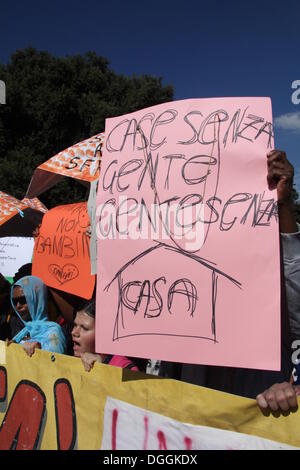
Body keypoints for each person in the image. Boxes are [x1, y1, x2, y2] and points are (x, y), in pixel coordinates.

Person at [160, 149, 295, 403]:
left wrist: (283, 203)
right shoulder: (180, 285)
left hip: (256, 407)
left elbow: (293, 285)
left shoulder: (268, 277)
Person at [72, 300, 139, 372]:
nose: (74, 332)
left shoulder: (126, 368)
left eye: (85, 328)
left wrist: (104, 369)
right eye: (75, 325)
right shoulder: (67, 360)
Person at [10, 275, 66, 356]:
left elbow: (55, 364)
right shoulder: (24, 331)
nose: (18, 306)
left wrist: (39, 350)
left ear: (37, 299)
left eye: (23, 300)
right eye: (14, 302)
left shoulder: (53, 331)